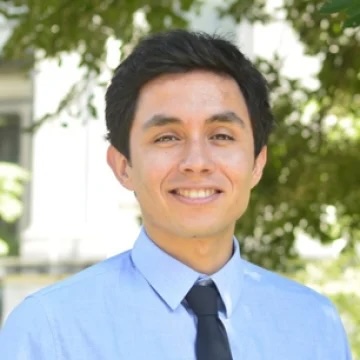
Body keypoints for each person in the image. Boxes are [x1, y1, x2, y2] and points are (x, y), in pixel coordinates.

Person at [0, 30, 351, 359]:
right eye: (167, 137)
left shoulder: (313, 325)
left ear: (257, 163)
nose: (196, 162)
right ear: (123, 166)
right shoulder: (50, 331)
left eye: (222, 136)